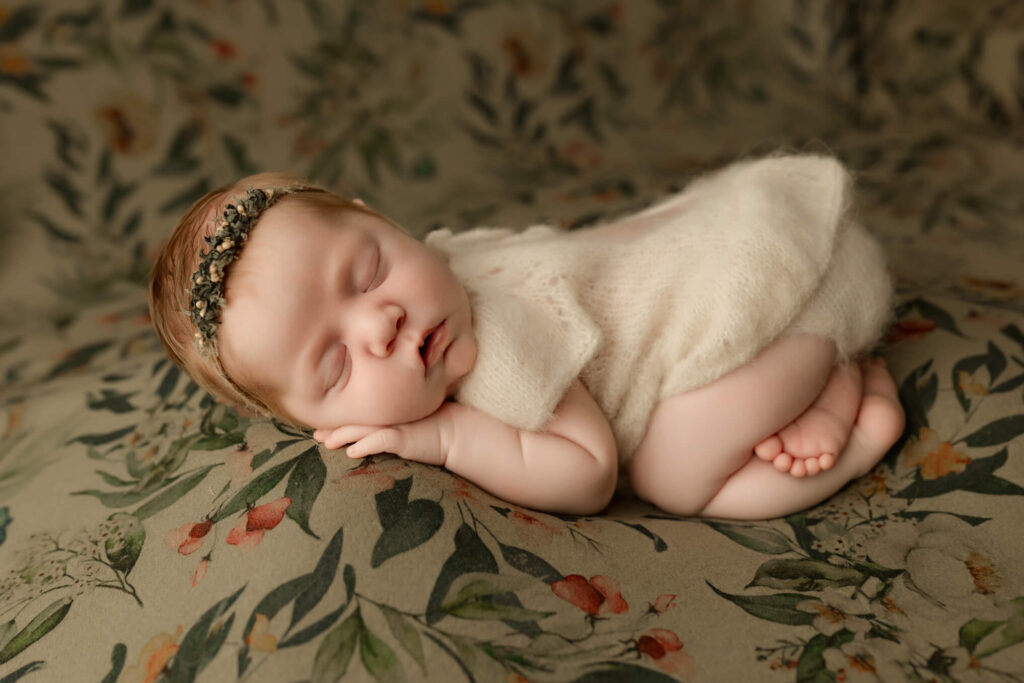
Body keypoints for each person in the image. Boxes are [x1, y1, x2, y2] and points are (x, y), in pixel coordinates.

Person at [148, 155, 905, 520]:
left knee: (674, 476)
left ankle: (853, 405)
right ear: (311, 421)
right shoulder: (453, 260)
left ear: (381, 217)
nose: (381, 322)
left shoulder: (491, 348)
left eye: (369, 268)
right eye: (337, 360)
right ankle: (818, 374)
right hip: (771, 252)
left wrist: (446, 436)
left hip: (789, 290)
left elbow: (589, 470)